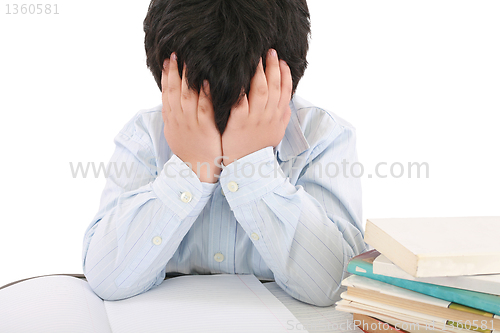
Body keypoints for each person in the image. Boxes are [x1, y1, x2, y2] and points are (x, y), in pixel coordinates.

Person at [82, 0, 366, 307]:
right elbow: (106, 276)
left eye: (243, 104)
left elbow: (339, 285)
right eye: (200, 102)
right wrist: (192, 169)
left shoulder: (323, 136)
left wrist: (251, 164)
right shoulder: (145, 135)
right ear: (169, 81)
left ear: (282, 81)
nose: (221, 124)